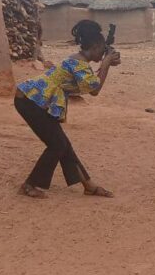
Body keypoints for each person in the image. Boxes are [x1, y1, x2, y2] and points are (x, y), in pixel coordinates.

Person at [14, 19, 120, 199]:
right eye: (103, 49)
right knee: (57, 145)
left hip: (32, 99)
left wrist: (106, 63)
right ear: (95, 46)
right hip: (30, 101)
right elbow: (94, 90)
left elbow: (92, 83)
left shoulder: (78, 61)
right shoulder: (77, 63)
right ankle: (29, 185)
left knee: (63, 144)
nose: (103, 53)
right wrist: (107, 63)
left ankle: (89, 186)